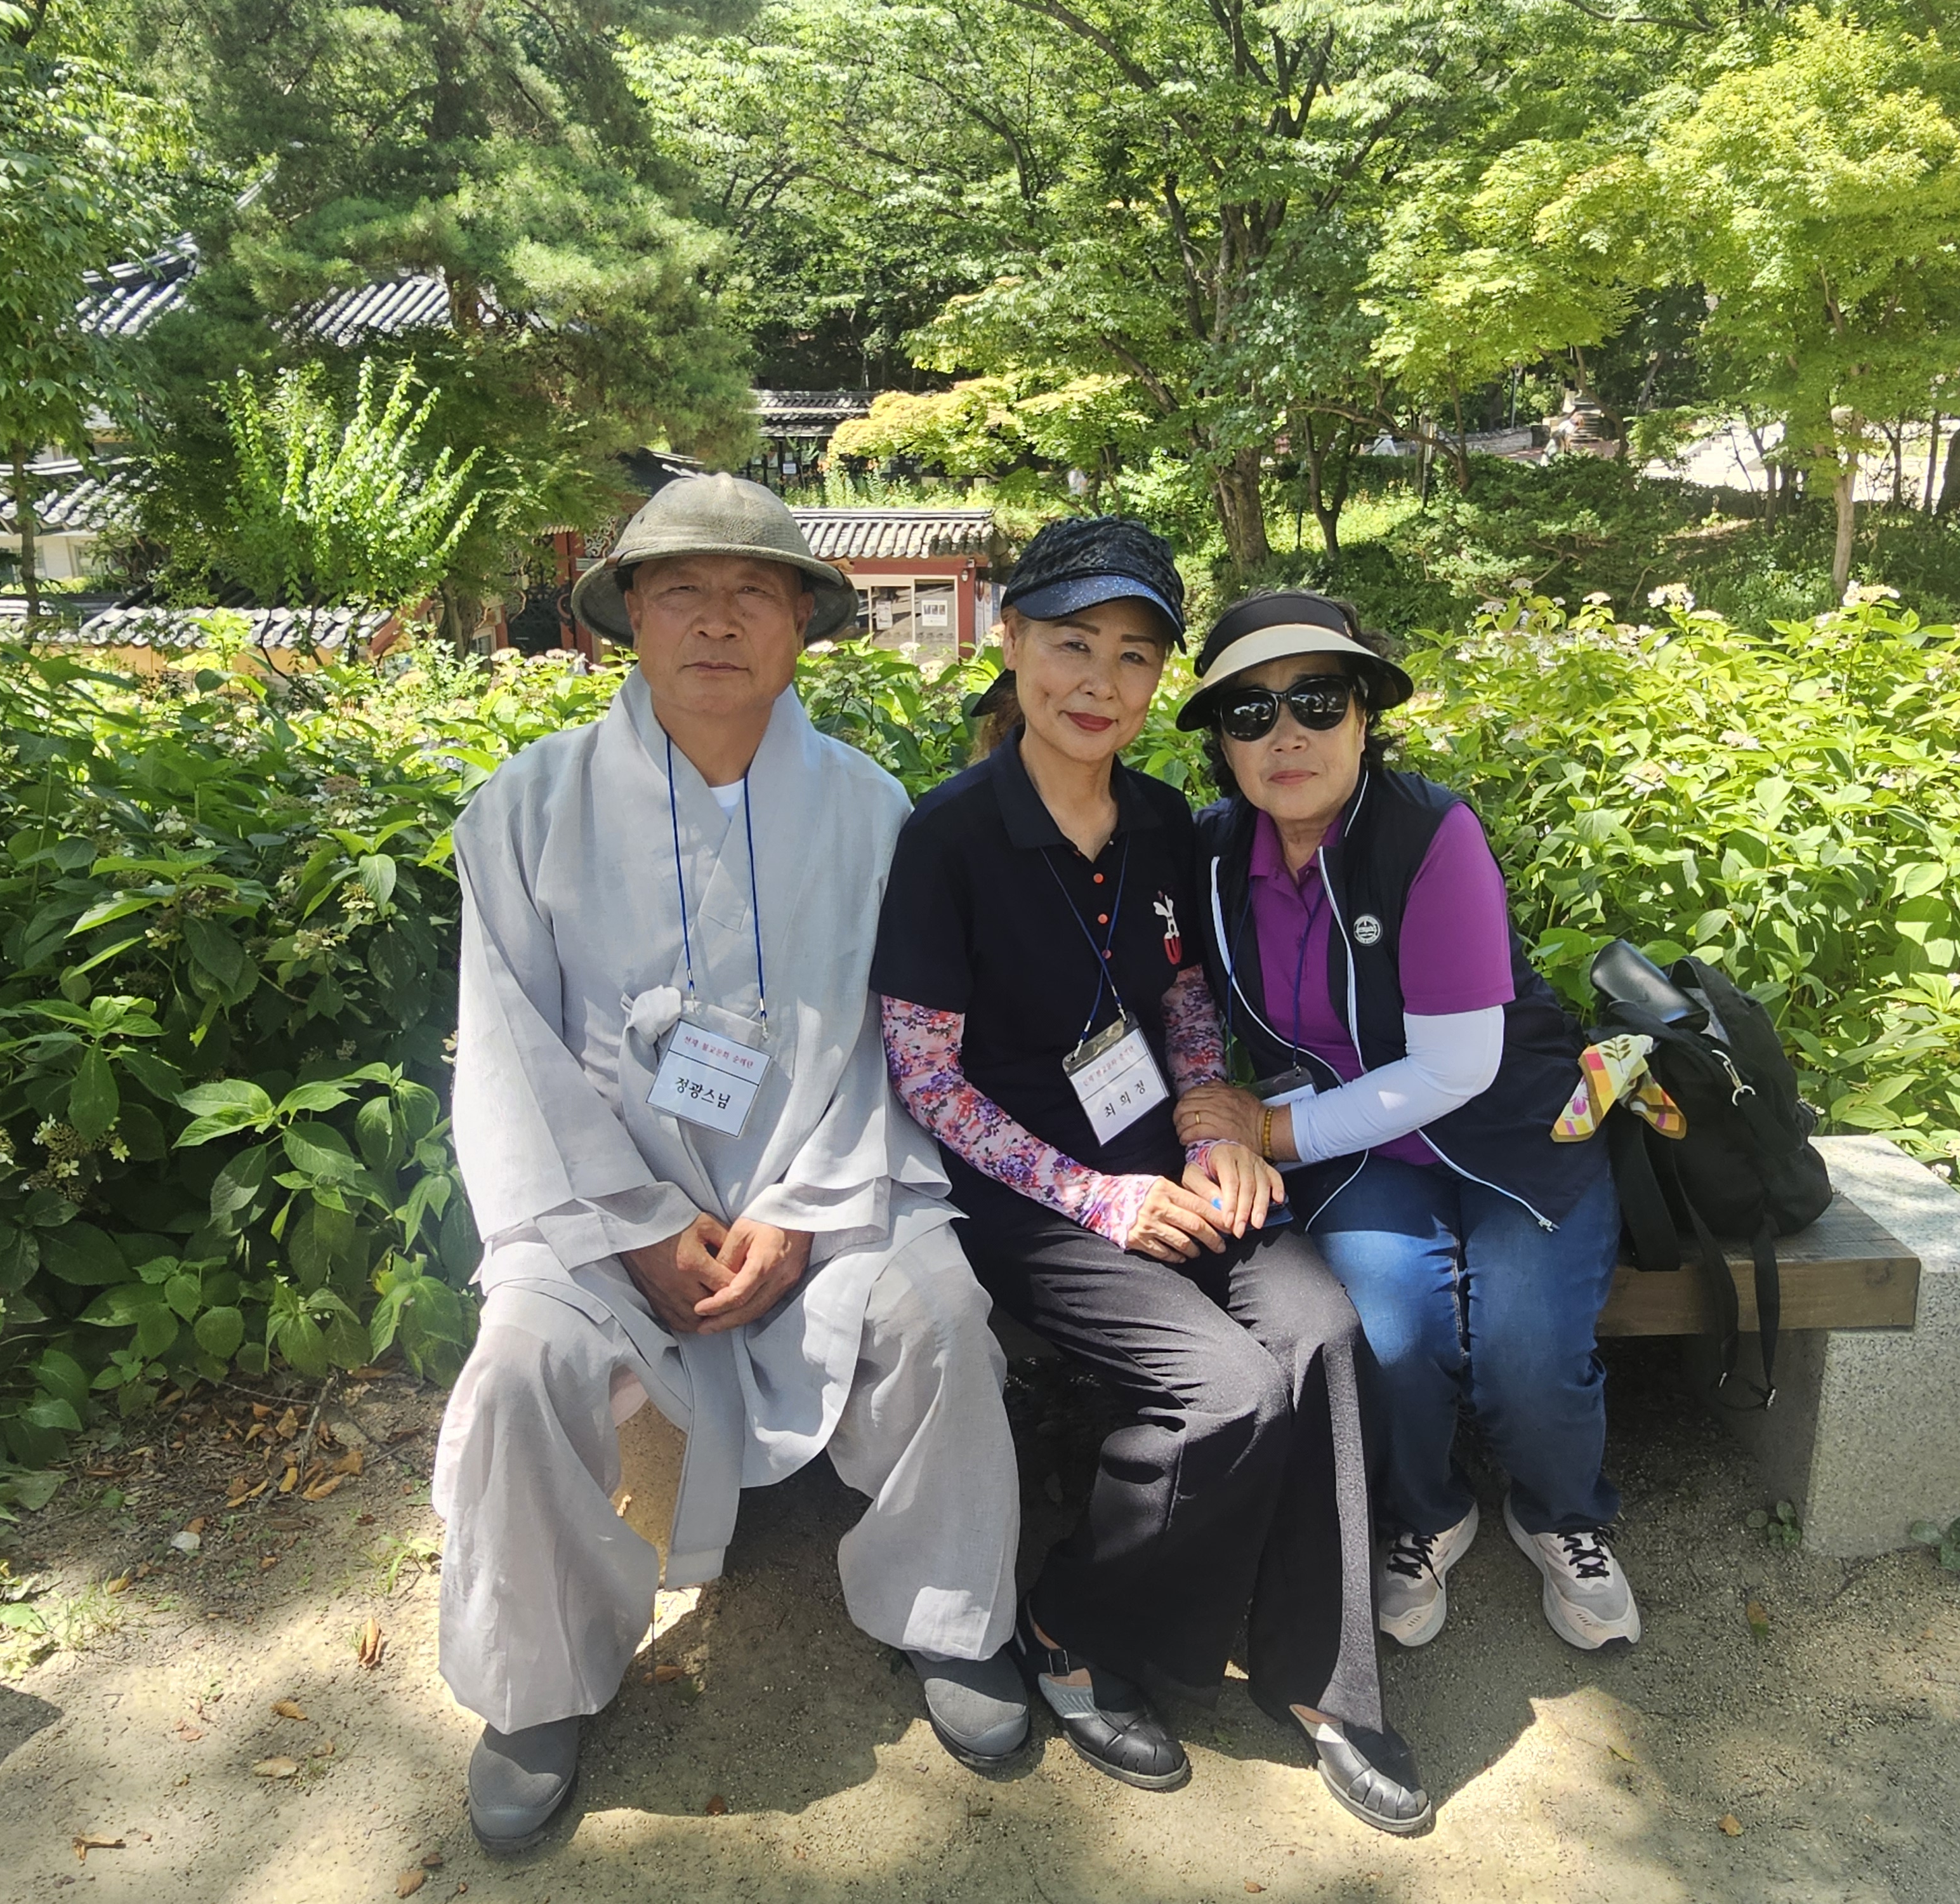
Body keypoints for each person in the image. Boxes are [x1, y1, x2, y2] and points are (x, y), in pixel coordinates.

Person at [433, 474, 1025, 1851]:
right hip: (597, 1209)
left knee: (940, 1313)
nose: (716, 620)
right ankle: (535, 1682)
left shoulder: (871, 812)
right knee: (520, 1364)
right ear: (628, 616)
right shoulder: (524, 810)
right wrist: (637, 1223)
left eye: (753, 591)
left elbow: (896, 1038)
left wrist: (807, 1213)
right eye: (681, 591)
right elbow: (508, 1049)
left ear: (802, 622)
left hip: (825, 1184)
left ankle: (950, 1615)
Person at [872, 518, 1432, 1835]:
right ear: (1009, 641)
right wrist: (1096, 1196)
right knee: (1222, 1388)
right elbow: (925, 1077)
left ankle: (1323, 1678)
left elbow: (1180, 999)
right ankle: (1069, 1627)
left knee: (1319, 1331)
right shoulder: (948, 838)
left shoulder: (1164, 820)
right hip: (1030, 1201)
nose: (1100, 682)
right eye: (1072, 644)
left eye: (1134, 656)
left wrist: (1208, 1123)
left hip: (1168, 1166)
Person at [1169, 591, 1640, 1659]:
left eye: (1317, 701)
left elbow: (1455, 1067)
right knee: (1391, 1337)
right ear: (1223, 745)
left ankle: (1562, 1511)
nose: (1287, 734)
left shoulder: (1432, 836)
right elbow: (1156, 977)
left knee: (1528, 1348)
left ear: (1365, 714)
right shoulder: (1211, 857)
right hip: (1360, 1146)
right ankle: (1427, 1512)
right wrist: (1207, 1118)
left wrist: (1266, 1134)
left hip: (1513, 1131)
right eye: (1250, 713)